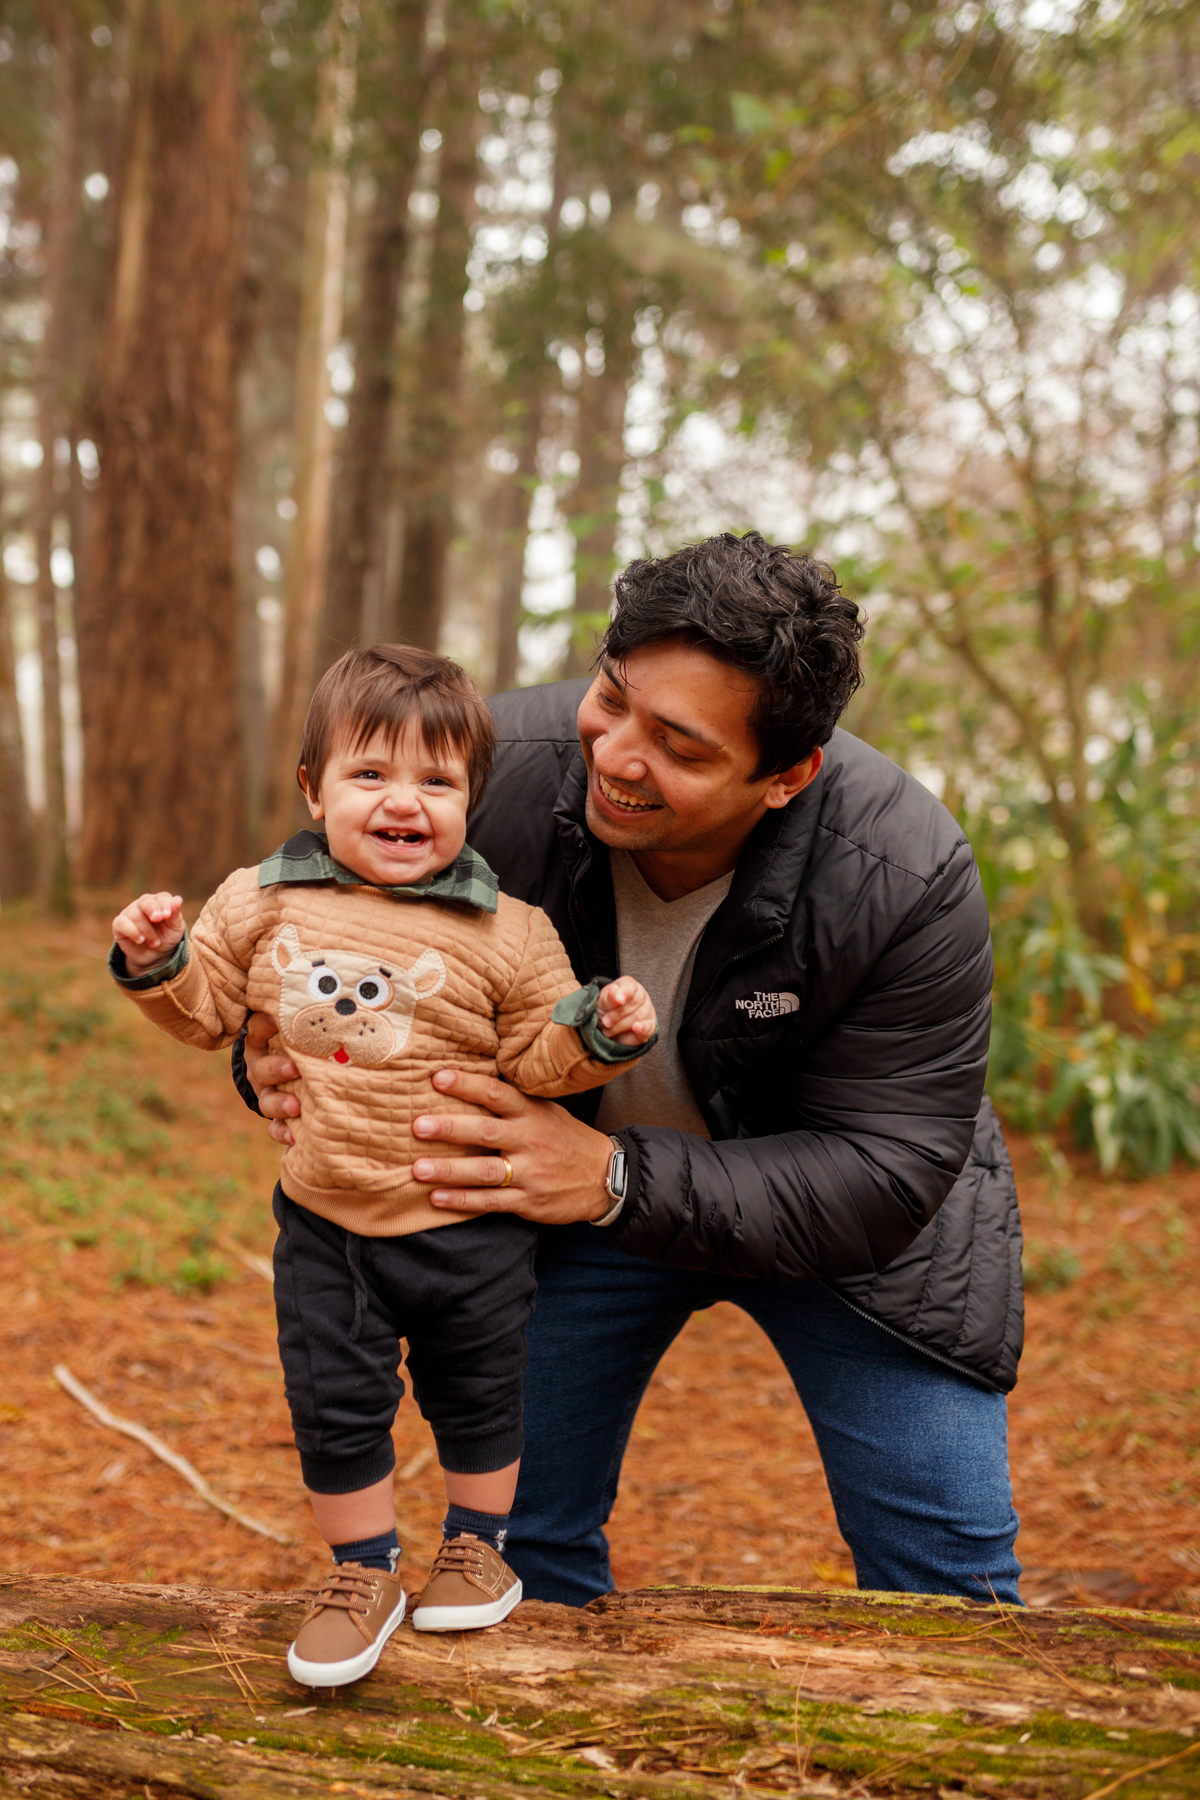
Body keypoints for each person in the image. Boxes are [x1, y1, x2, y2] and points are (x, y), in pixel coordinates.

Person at [240, 532, 1024, 1609]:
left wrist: (613, 1175)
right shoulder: (486, 772)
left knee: (952, 1578)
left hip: (852, 1233)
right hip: (568, 1215)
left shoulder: (906, 872)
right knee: (523, 1551)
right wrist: (271, 1053)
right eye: (613, 697)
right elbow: (313, 944)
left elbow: (890, 1167)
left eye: (682, 747)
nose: (615, 753)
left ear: (787, 775)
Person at [108, 645, 657, 1686]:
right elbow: (211, 1012)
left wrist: (599, 1029)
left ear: (471, 801)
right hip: (325, 1222)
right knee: (335, 1402)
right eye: (370, 775)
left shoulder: (509, 929)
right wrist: (158, 961)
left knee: (483, 1390)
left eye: (437, 781)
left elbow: (537, 1058)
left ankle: (478, 1548)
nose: (403, 802)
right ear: (316, 789)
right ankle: (362, 1572)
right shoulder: (263, 899)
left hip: (467, 1225)